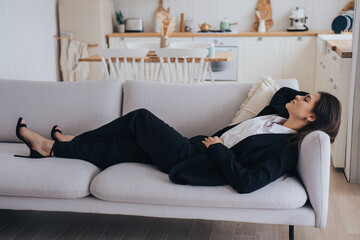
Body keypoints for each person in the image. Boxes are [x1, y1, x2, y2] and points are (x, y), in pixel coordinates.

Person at [15, 87, 341, 194]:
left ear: (311, 118)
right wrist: (308, 105)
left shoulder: (285, 149)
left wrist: (217, 150)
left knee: (140, 118)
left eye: (306, 98)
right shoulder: (276, 116)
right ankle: (51, 148)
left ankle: (69, 141)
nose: (298, 95)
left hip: (196, 159)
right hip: (198, 146)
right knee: (123, 148)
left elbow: (248, 182)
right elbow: (283, 92)